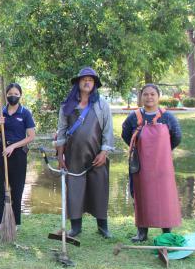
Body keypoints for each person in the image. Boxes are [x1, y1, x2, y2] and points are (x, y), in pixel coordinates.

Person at [55, 67, 115, 238]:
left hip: (96, 156)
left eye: (91, 80)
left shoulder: (101, 105)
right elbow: (61, 131)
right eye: (84, 79)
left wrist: (104, 152)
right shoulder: (67, 105)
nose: (87, 82)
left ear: (94, 84)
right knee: (74, 190)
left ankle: (103, 227)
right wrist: (60, 156)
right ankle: (76, 227)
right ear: (78, 83)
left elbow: (108, 130)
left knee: (99, 189)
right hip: (73, 156)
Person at [122, 83, 182, 242]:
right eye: (146, 94)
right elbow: (125, 134)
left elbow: (177, 137)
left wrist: (162, 152)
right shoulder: (133, 117)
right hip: (140, 165)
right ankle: (142, 233)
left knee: (164, 196)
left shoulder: (167, 117)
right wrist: (138, 148)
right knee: (141, 195)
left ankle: (166, 231)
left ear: (158, 97)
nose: (149, 97)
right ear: (141, 97)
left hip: (162, 166)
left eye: (152, 94)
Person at [0, 83, 36, 231]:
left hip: (18, 154)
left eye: (16, 94)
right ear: (6, 95)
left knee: (17, 188)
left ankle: (15, 222)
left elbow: (31, 136)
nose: (13, 96)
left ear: (20, 95)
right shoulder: (1, 112)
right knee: (0, 187)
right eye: (10, 93)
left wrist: (13, 146)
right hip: (3, 152)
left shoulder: (25, 113)